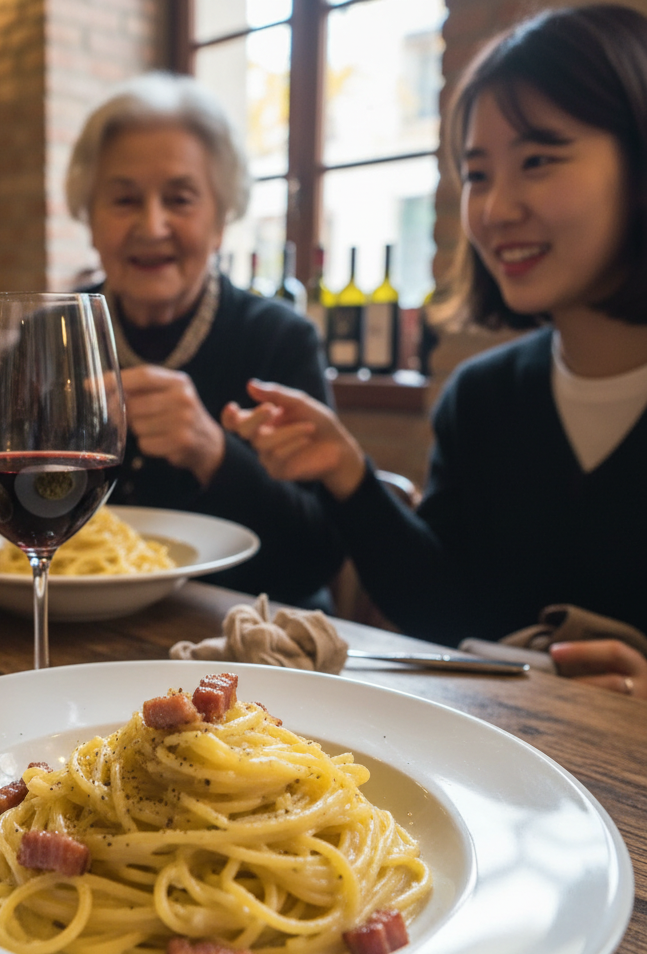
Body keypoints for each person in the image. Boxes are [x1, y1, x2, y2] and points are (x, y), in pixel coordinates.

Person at [223, 4, 647, 698]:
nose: (495, 208)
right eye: (477, 174)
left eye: (538, 160)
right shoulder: (483, 400)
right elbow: (445, 615)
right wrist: (346, 475)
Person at [0, 73, 343, 604]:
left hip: (232, 639)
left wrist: (214, 453)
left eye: (179, 199)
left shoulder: (279, 338)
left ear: (221, 220)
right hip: (56, 628)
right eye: (124, 200)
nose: (152, 225)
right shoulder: (50, 329)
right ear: (89, 218)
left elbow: (314, 558)